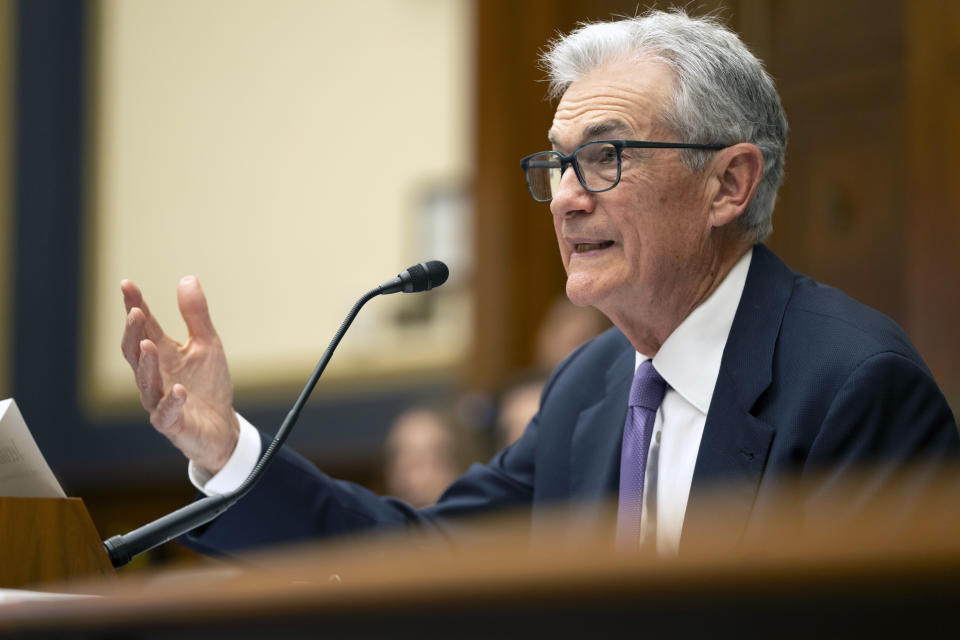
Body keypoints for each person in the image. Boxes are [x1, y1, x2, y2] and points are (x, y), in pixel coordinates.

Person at [120, 9, 958, 556]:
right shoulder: (588, 391)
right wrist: (223, 448)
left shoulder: (854, 387)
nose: (564, 197)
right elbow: (422, 562)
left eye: (605, 156)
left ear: (728, 185)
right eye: (557, 162)